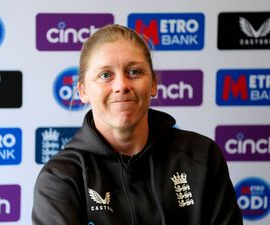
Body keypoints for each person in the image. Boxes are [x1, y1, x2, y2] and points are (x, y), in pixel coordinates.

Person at [32, 24, 243, 225]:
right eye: (105, 75)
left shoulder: (201, 155)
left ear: (153, 84)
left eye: (134, 72)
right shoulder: (61, 178)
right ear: (83, 91)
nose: (122, 85)